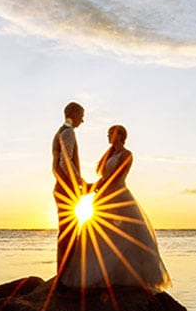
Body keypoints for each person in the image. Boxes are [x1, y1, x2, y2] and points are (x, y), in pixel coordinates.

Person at [64, 124, 171, 292]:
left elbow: (115, 177)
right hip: (104, 195)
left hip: (119, 195)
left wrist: (93, 188)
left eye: (111, 133)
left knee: (128, 235)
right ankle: (100, 274)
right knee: (98, 233)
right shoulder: (108, 155)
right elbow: (104, 177)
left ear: (120, 135)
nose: (108, 136)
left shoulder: (127, 155)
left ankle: (128, 276)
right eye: (108, 134)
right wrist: (89, 188)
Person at [52, 102, 86, 281]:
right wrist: (80, 183)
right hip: (67, 188)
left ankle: (64, 274)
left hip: (61, 187)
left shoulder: (59, 132)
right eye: (81, 115)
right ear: (73, 114)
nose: (83, 120)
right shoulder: (69, 132)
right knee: (69, 232)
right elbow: (66, 162)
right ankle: (65, 277)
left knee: (66, 231)